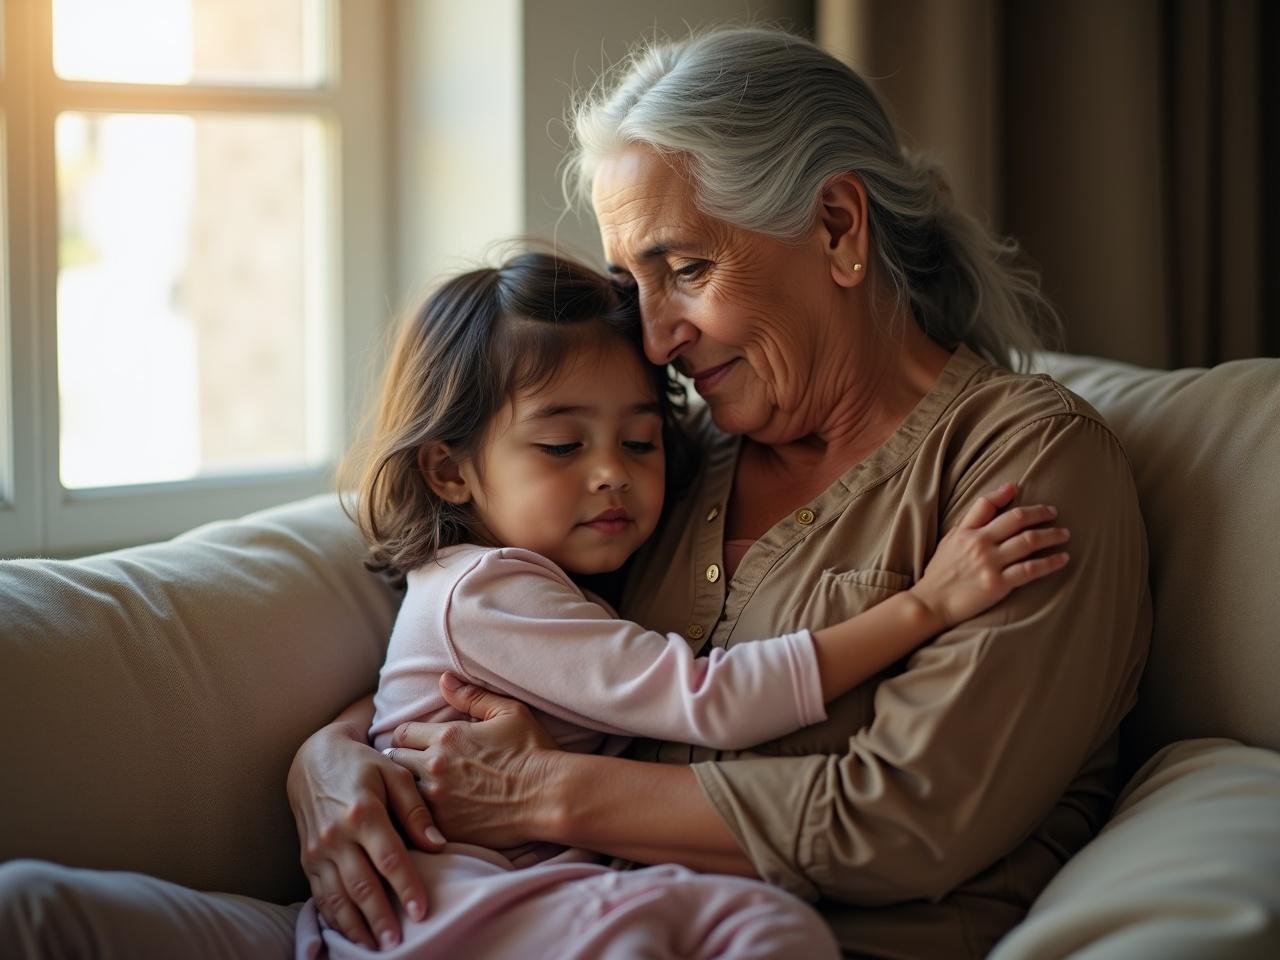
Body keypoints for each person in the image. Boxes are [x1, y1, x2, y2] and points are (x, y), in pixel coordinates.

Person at [0, 25, 1150, 960]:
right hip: (480, 915)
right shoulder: (669, 459)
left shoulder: (1026, 468)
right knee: (33, 911)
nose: (650, 337)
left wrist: (547, 794)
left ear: (838, 228)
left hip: (757, 937)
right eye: (632, 281)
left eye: (686, 270)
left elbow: (901, 820)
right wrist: (335, 758)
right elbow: (508, 633)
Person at [292, 251, 1069, 958]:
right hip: (462, 905)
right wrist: (926, 606)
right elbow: (708, 694)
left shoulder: (583, 551)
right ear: (448, 470)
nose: (612, 475)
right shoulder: (494, 587)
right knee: (763, 931)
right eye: (563, 447)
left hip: (521, 897)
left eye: (639, 442)